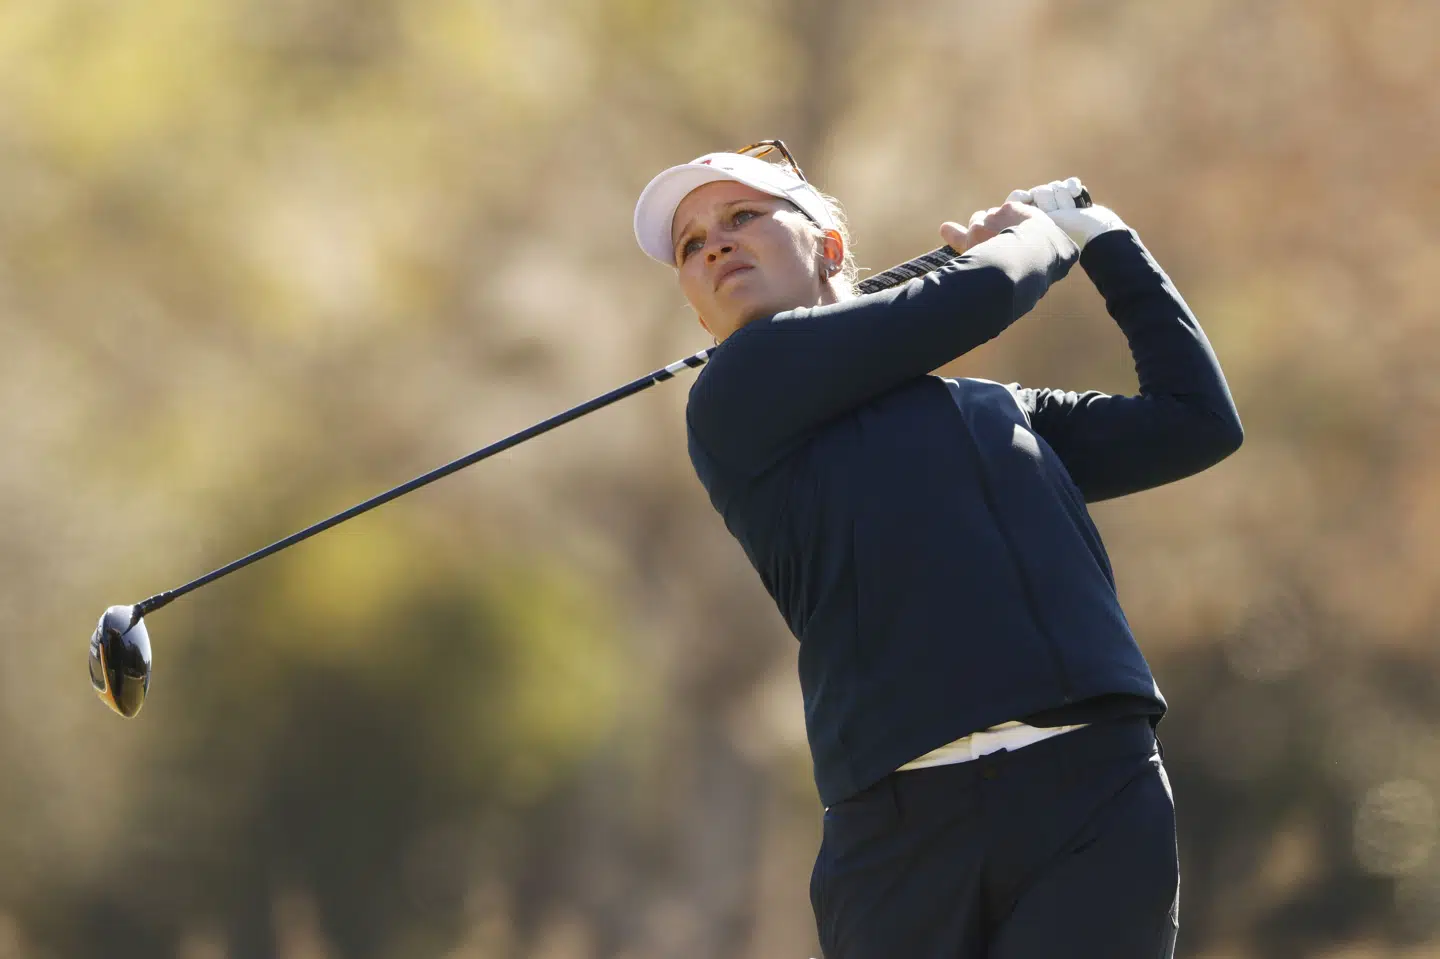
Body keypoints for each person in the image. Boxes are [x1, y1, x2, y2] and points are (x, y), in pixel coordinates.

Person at [632, 141, 1242, 959]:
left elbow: (1194, 421)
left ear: (831, 247)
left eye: (742, 215)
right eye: (690, 244)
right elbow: (981, 292)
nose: (714, 245)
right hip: (899, 833)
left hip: (1091, 792)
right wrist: (1041, 233)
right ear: (700, 312)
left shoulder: (998, 410)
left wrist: (1106, 239)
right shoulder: (733, 397)